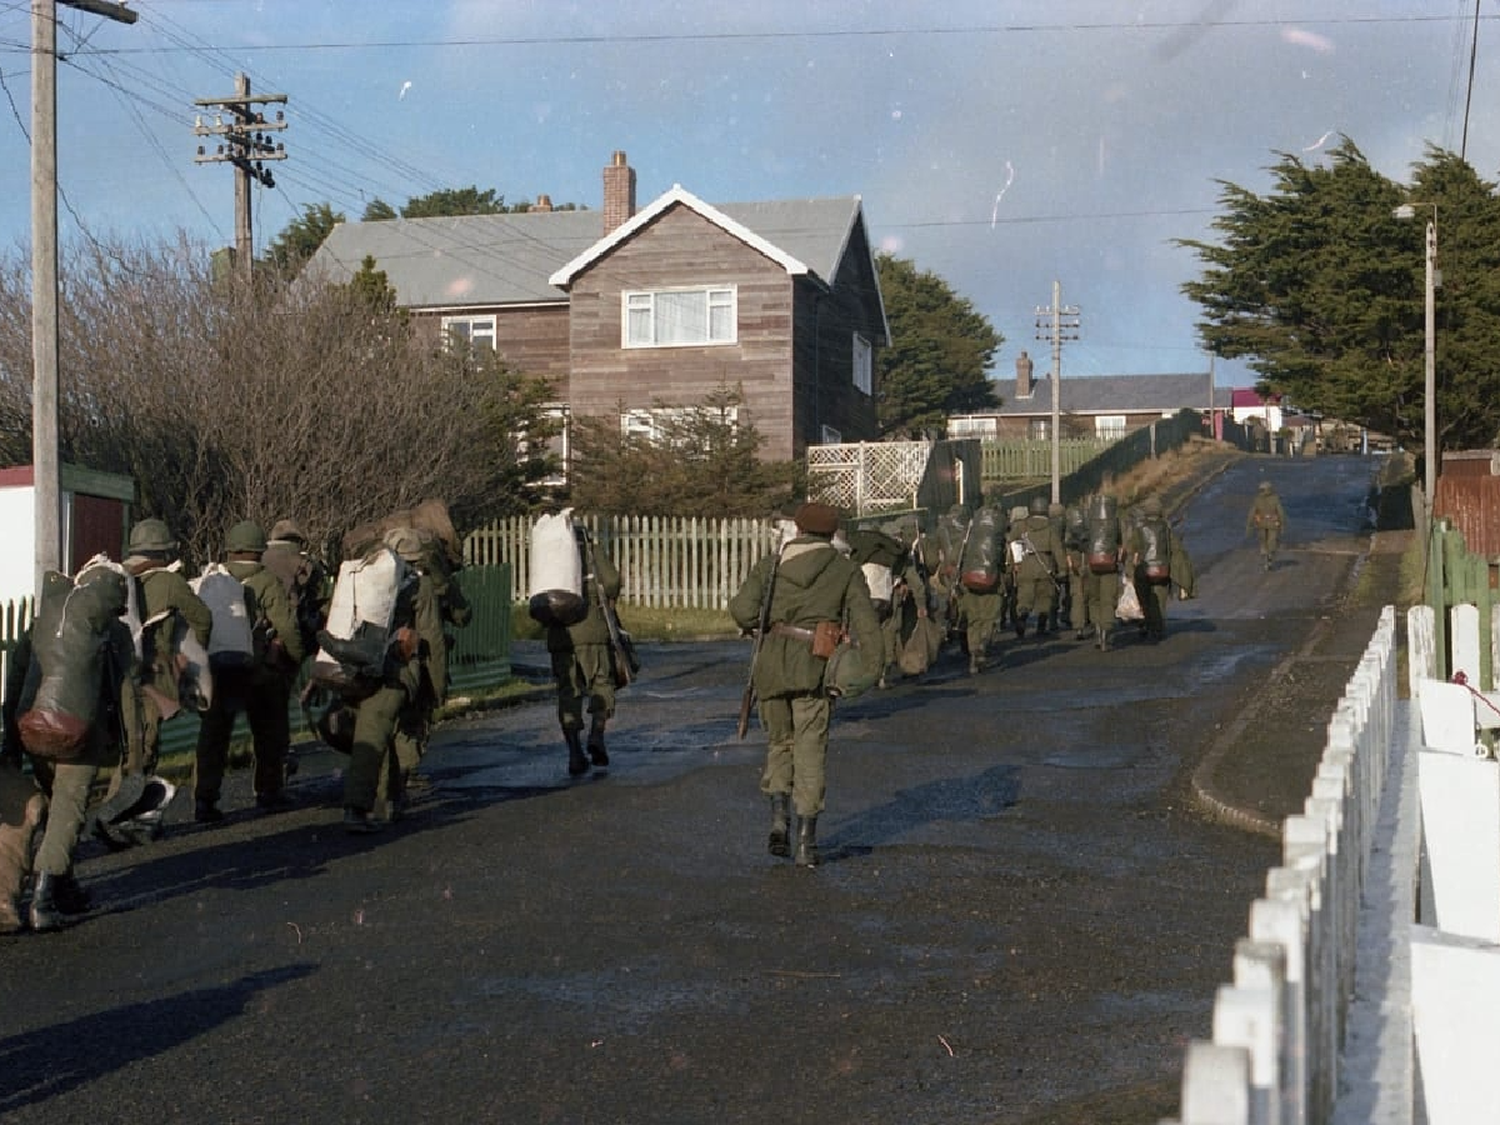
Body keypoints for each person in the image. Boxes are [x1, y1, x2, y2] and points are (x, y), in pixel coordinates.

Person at [729, 501, 881, 868]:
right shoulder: (845, 570)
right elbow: (867, 627)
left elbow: (742, 612)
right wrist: (870, 669)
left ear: (797, 529)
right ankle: (805, 844)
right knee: (810, 749)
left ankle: (779, 818)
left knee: (779, 742)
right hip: (815, 667)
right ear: (832, 534)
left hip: (769, 667)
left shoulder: (770, 566)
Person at [19, 565, 135, 931]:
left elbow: (17, 677)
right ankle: (42, 900)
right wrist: (131, 747)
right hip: (78, 734)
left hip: (33, 729)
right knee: (68, 809)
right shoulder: (112, 632)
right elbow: (125, 692)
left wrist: (11, 735)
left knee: (56, 808)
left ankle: (65, 888)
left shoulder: (43, 624)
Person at [101, 519, 212, 837]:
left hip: (114, 675)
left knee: (131, 745)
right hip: (150, 674)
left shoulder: (115, 579)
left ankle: (126, 815)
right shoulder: (168, 582)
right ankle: (117, 818)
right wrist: (193, 652)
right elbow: (202, 618)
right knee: (144, 747)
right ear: (164, 551)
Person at [193, 520, 305, 822]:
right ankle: (268, 792)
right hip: (258, 672)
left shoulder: (214, 577)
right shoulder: (265, 579)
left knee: (214, 735)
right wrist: (295, 656)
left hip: (218, 669)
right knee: (269, 730)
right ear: (259, 550)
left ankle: (205, 799)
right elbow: (286, 626)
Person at [342, 527, 446, 833]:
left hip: (359, 667)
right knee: (381, 734)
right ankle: (358, 808)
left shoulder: (364, 578)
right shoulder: (420, 586)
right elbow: (433, 638)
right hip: (397, 671)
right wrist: (438, 687)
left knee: (377, 731)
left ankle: (388, 800)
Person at [546, 525, 622, 778]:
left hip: (560, 636)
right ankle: (597, 734)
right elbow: (611, 583)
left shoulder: (550, 554)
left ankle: (574, 752)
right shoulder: (589, 547)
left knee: (569, 692)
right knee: (601, 683)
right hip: (592, 632)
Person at [1125, 496, 1190, 643]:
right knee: (1160, 600)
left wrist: (1130, 571)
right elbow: (1174, 549)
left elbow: (1132, 549)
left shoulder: (1139, 528)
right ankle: (1158, 629)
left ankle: (1149, 625)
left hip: (1145, 571)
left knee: (1146, 599)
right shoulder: (1165, 527)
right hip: (1162, 571)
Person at [1008, 496, 1066, 641]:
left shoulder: (1022, 525)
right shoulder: (1051, 528)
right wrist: (1063, 570)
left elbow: (1010, 541)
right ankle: (1041, 628)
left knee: (1025, 598)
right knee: (1044, 599)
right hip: (1044, 566)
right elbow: (1058, 550)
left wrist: (1013, 563)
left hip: (1026, 565)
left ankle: (1022, 618)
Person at [1246, 480, 1287, 570]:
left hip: (1261, 524)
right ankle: (1270, 556)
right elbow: (1281, 513)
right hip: (1273, 523)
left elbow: (1252, 513)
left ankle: (1265, 555)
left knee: (1263, 541)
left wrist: (1249, 525)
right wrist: (1283, 525)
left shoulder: (1257, 499)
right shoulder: (1275, 499)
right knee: (1272, 541)